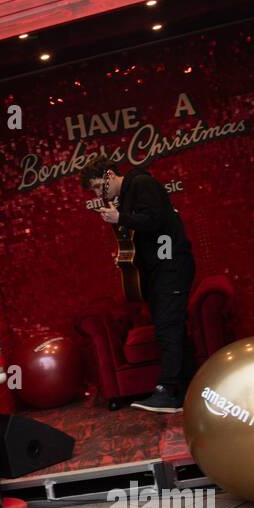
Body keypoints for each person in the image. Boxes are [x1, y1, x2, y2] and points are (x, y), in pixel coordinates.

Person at [80, 156, 196, 412]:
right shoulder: (128, 195)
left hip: (172, 266)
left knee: (168, 328)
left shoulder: (142, 183)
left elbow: (156, 219)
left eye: (100, 186)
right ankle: (189, 389)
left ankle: (168, 391)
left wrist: (120, 217)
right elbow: (145, 233)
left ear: (109, 175)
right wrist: (127, 259)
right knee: (172, 328)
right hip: (159, 269)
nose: (100, 193)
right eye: (95, 190)